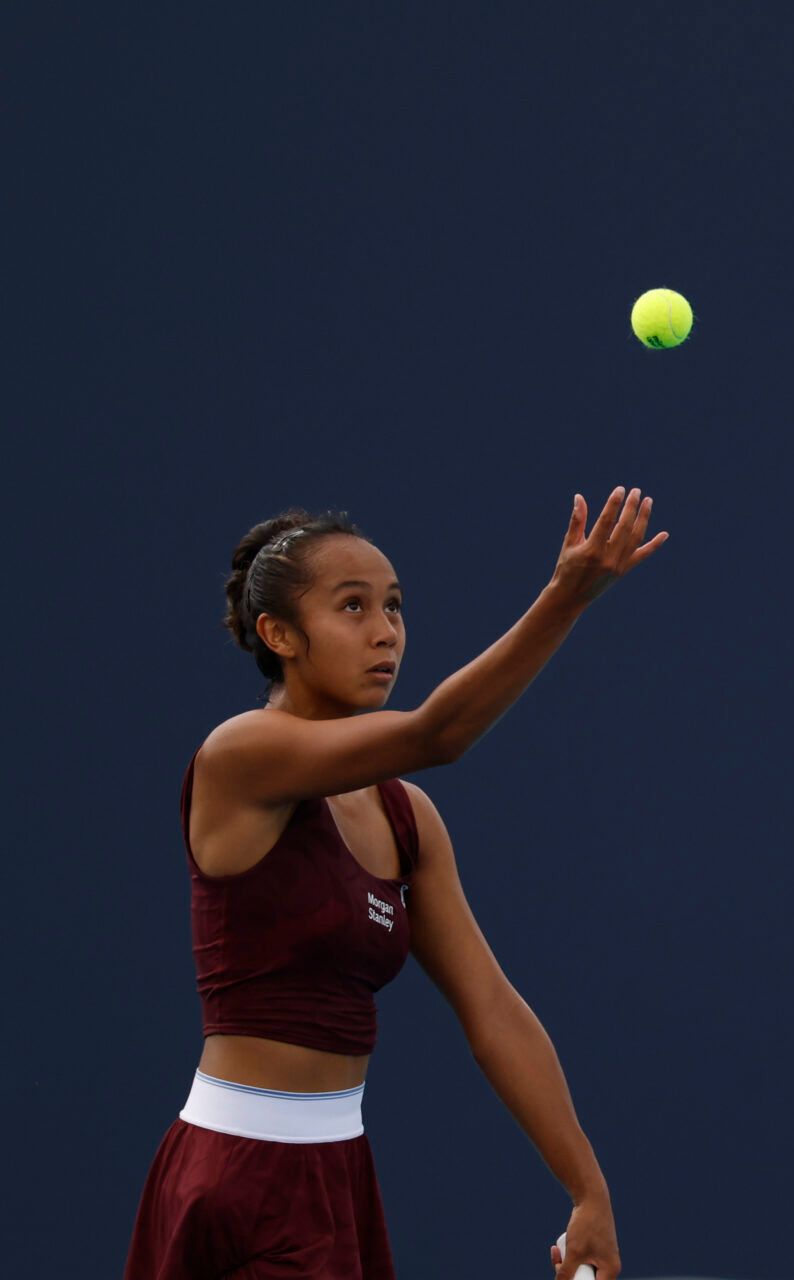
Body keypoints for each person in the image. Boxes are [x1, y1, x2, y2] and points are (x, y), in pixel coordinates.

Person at [123, 486, 666, 1279]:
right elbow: (437, 734)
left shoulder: (407, 819)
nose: (385, 633)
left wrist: (588, 1188)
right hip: (236, 1182)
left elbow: (493, 1010)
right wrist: (565, 600)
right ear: (279, 634)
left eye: (395, 607)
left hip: (338, 1178)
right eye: (352, 607)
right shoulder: (241, 756)